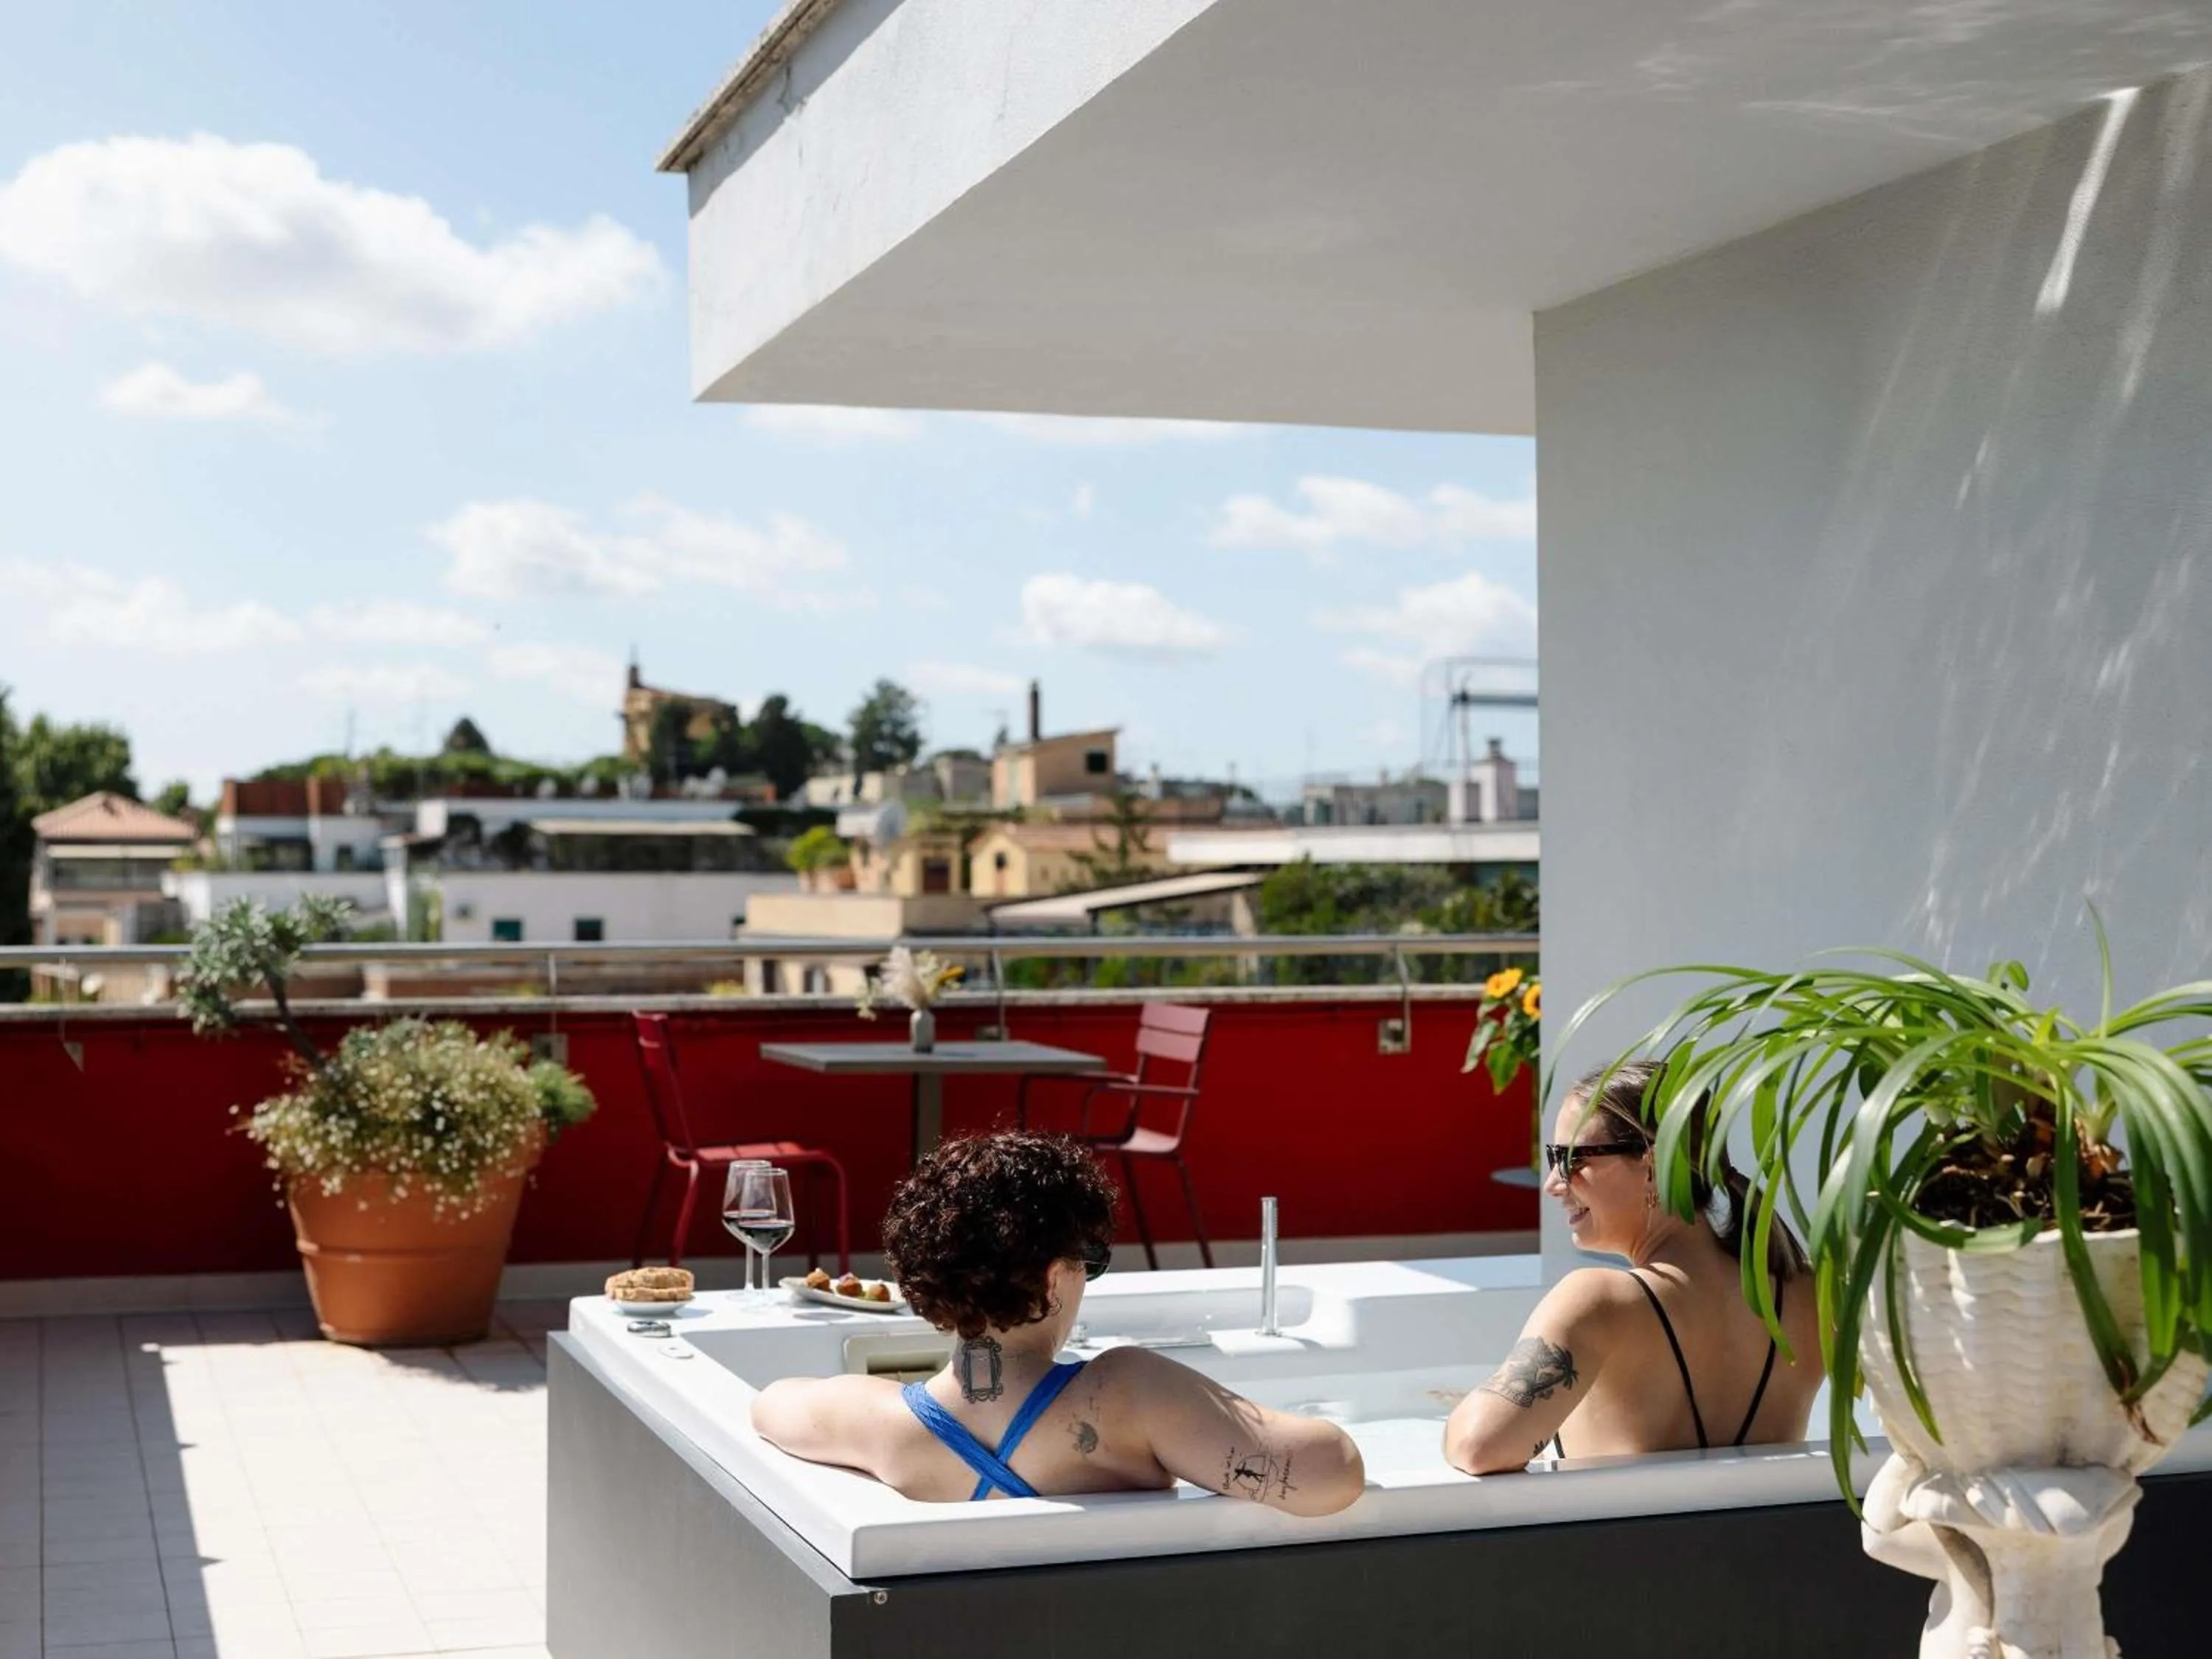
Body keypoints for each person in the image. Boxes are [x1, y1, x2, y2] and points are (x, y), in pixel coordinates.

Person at [751, 1131, 1366, 1514]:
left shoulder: (876, 1420)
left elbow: (769, 1406)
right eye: (1089, 1262)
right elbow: (1332, 1473)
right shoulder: (1129, 1392)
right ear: (1052, 1278)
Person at [1444, 1059, 1823, 1474]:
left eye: (1572, 1158)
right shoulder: (1805, 1292)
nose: (1554, 1183)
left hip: (1617, 1539)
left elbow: (1478, 1447)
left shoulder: (1597, 1303)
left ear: (1652, 1166)